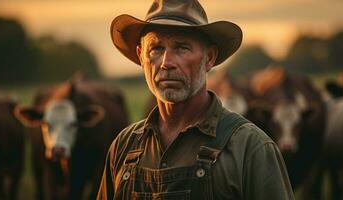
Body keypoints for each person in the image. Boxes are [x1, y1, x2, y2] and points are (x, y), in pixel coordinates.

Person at [97, 0, 294, 199]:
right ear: (141, 57)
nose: (166, 63)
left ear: (209, 58)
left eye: (182, 48)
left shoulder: (250, 147)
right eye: (156, 48)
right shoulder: (124, 146)